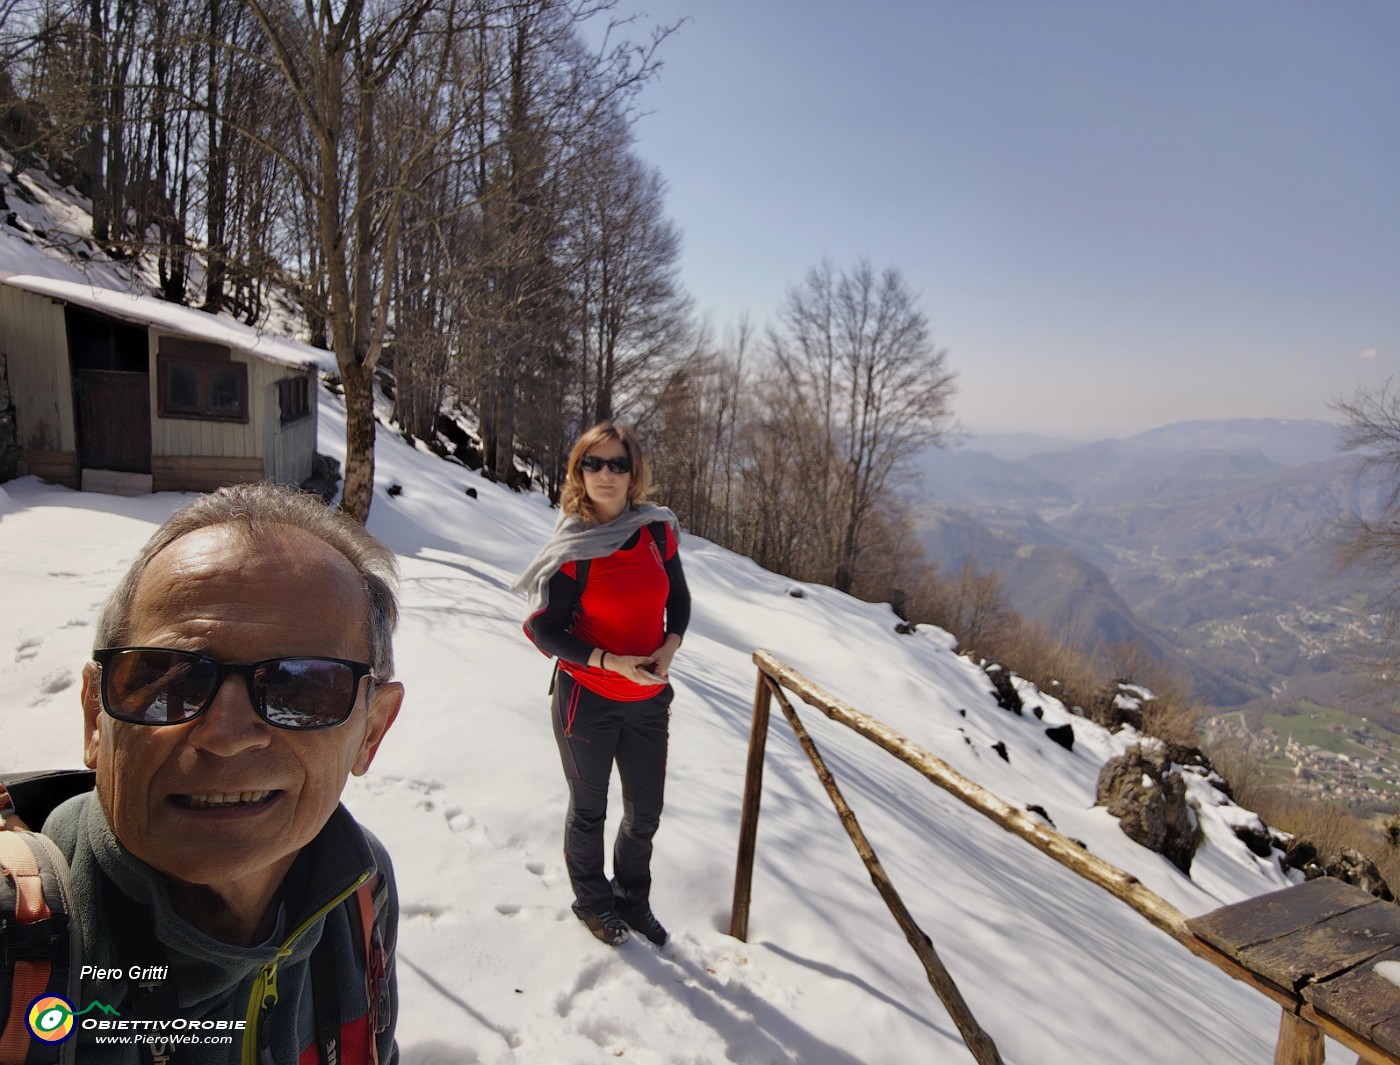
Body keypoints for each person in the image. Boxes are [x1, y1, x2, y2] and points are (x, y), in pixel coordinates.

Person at [27, 483, 405, 1063]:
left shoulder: (362, 885)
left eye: (301, 689)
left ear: (371, 731)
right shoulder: (19, 942)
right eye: (168, 681)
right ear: (95, 719)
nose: (227, 737)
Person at [513, 422, 691, 947]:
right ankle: (592, 902)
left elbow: (677, 598)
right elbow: (541, 628)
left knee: (645, 815)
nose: (606, 474)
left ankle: (632, 900)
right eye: (594, 463)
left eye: (617, 463)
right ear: (578, 471)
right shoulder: (575, 548)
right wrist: (607, 661)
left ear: (633, 471)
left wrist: (670, 644)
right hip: (587, 701)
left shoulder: (657, 531)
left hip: (648, 701)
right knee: (589, 810)